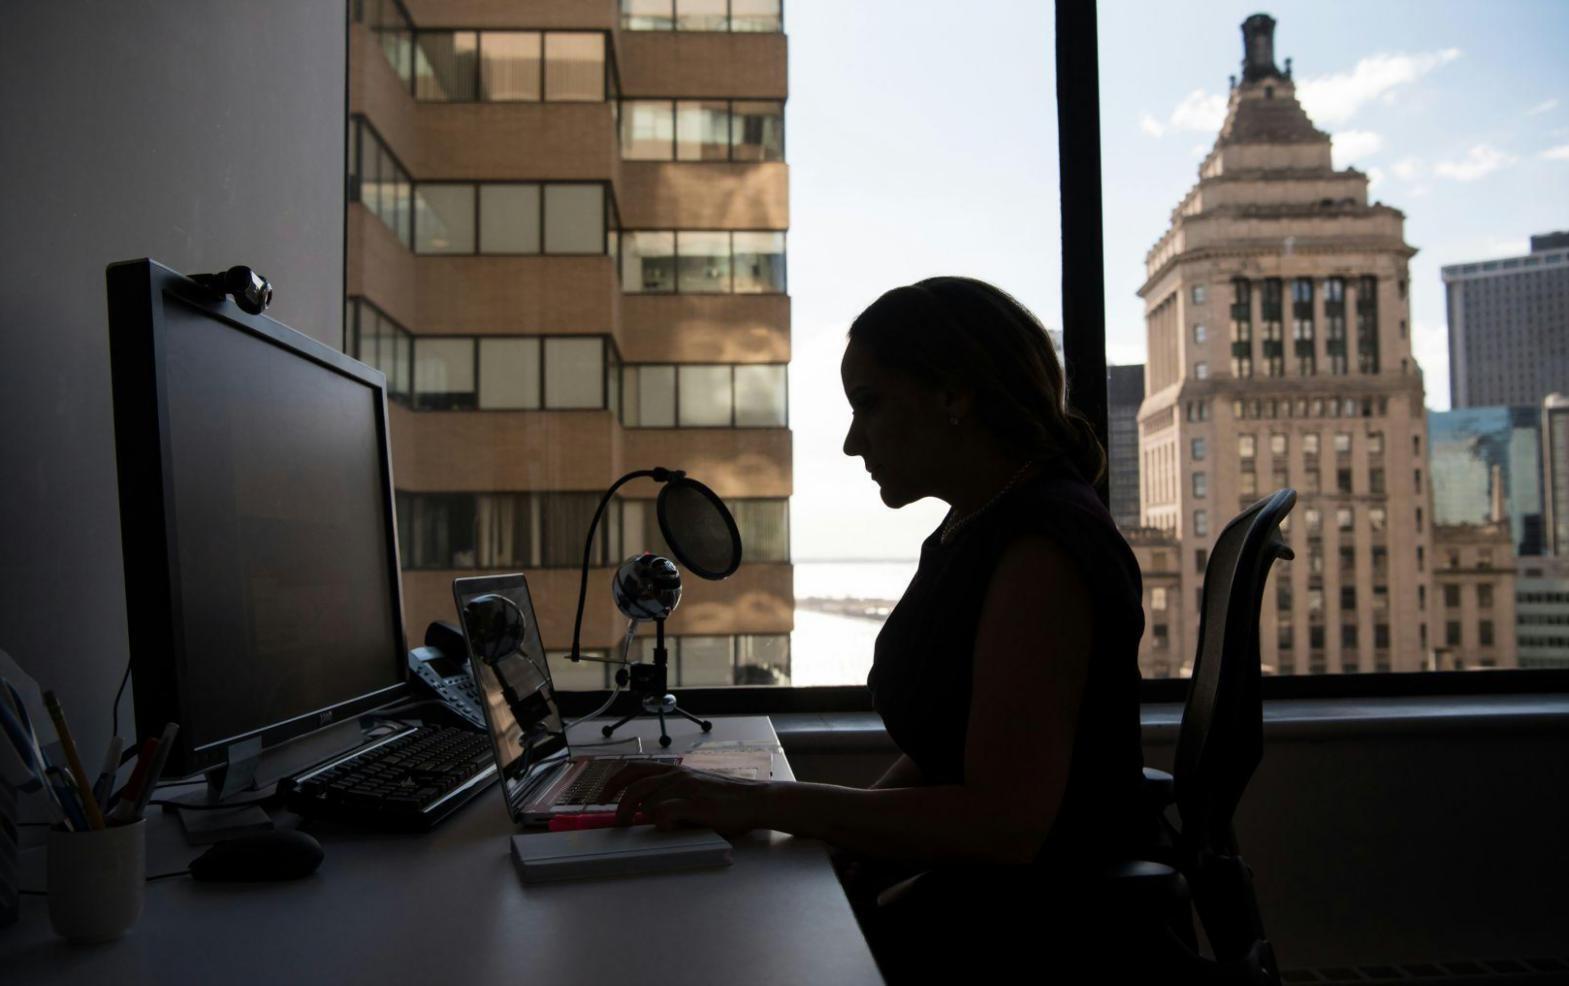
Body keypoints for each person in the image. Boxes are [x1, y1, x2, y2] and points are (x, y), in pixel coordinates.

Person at [604, 277, 1155, 975]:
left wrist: (768, 803)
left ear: (954, 395)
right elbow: (943, 748)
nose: (850, 441)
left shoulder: (1041, 549)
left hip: (1045, 936)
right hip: (989, 902)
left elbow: (1003, 825)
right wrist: (841, 838)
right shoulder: (975, 527)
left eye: (868, 403)